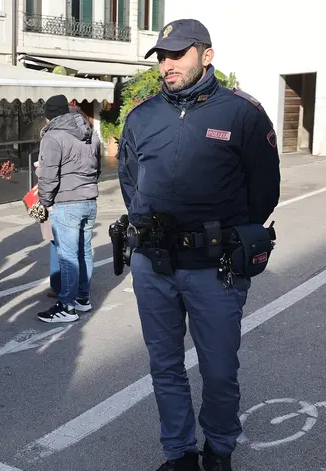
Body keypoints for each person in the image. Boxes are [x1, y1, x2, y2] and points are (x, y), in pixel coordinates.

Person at [119, 19, 280, 471]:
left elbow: (264, 190)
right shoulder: (142, 115)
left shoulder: (242, 113)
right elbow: (130, 182)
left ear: (206, 55)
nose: (167, 64)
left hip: (215, 267)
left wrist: (224, 232)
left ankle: (220, 449)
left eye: (177, 54)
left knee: (219, 370)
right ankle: (179, 454)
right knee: (165, 366)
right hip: (154, 263)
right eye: (162, 56)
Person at [35, 95, 100, 323]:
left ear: (49, 116)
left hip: (67, 201)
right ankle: (82, 299)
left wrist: (44, 202)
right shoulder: (90, 133)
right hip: (89, 199)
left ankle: (67, 306)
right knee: (84, 251)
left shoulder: (53, 136)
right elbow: (97, 167)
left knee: (68, 255)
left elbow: (48, 175)